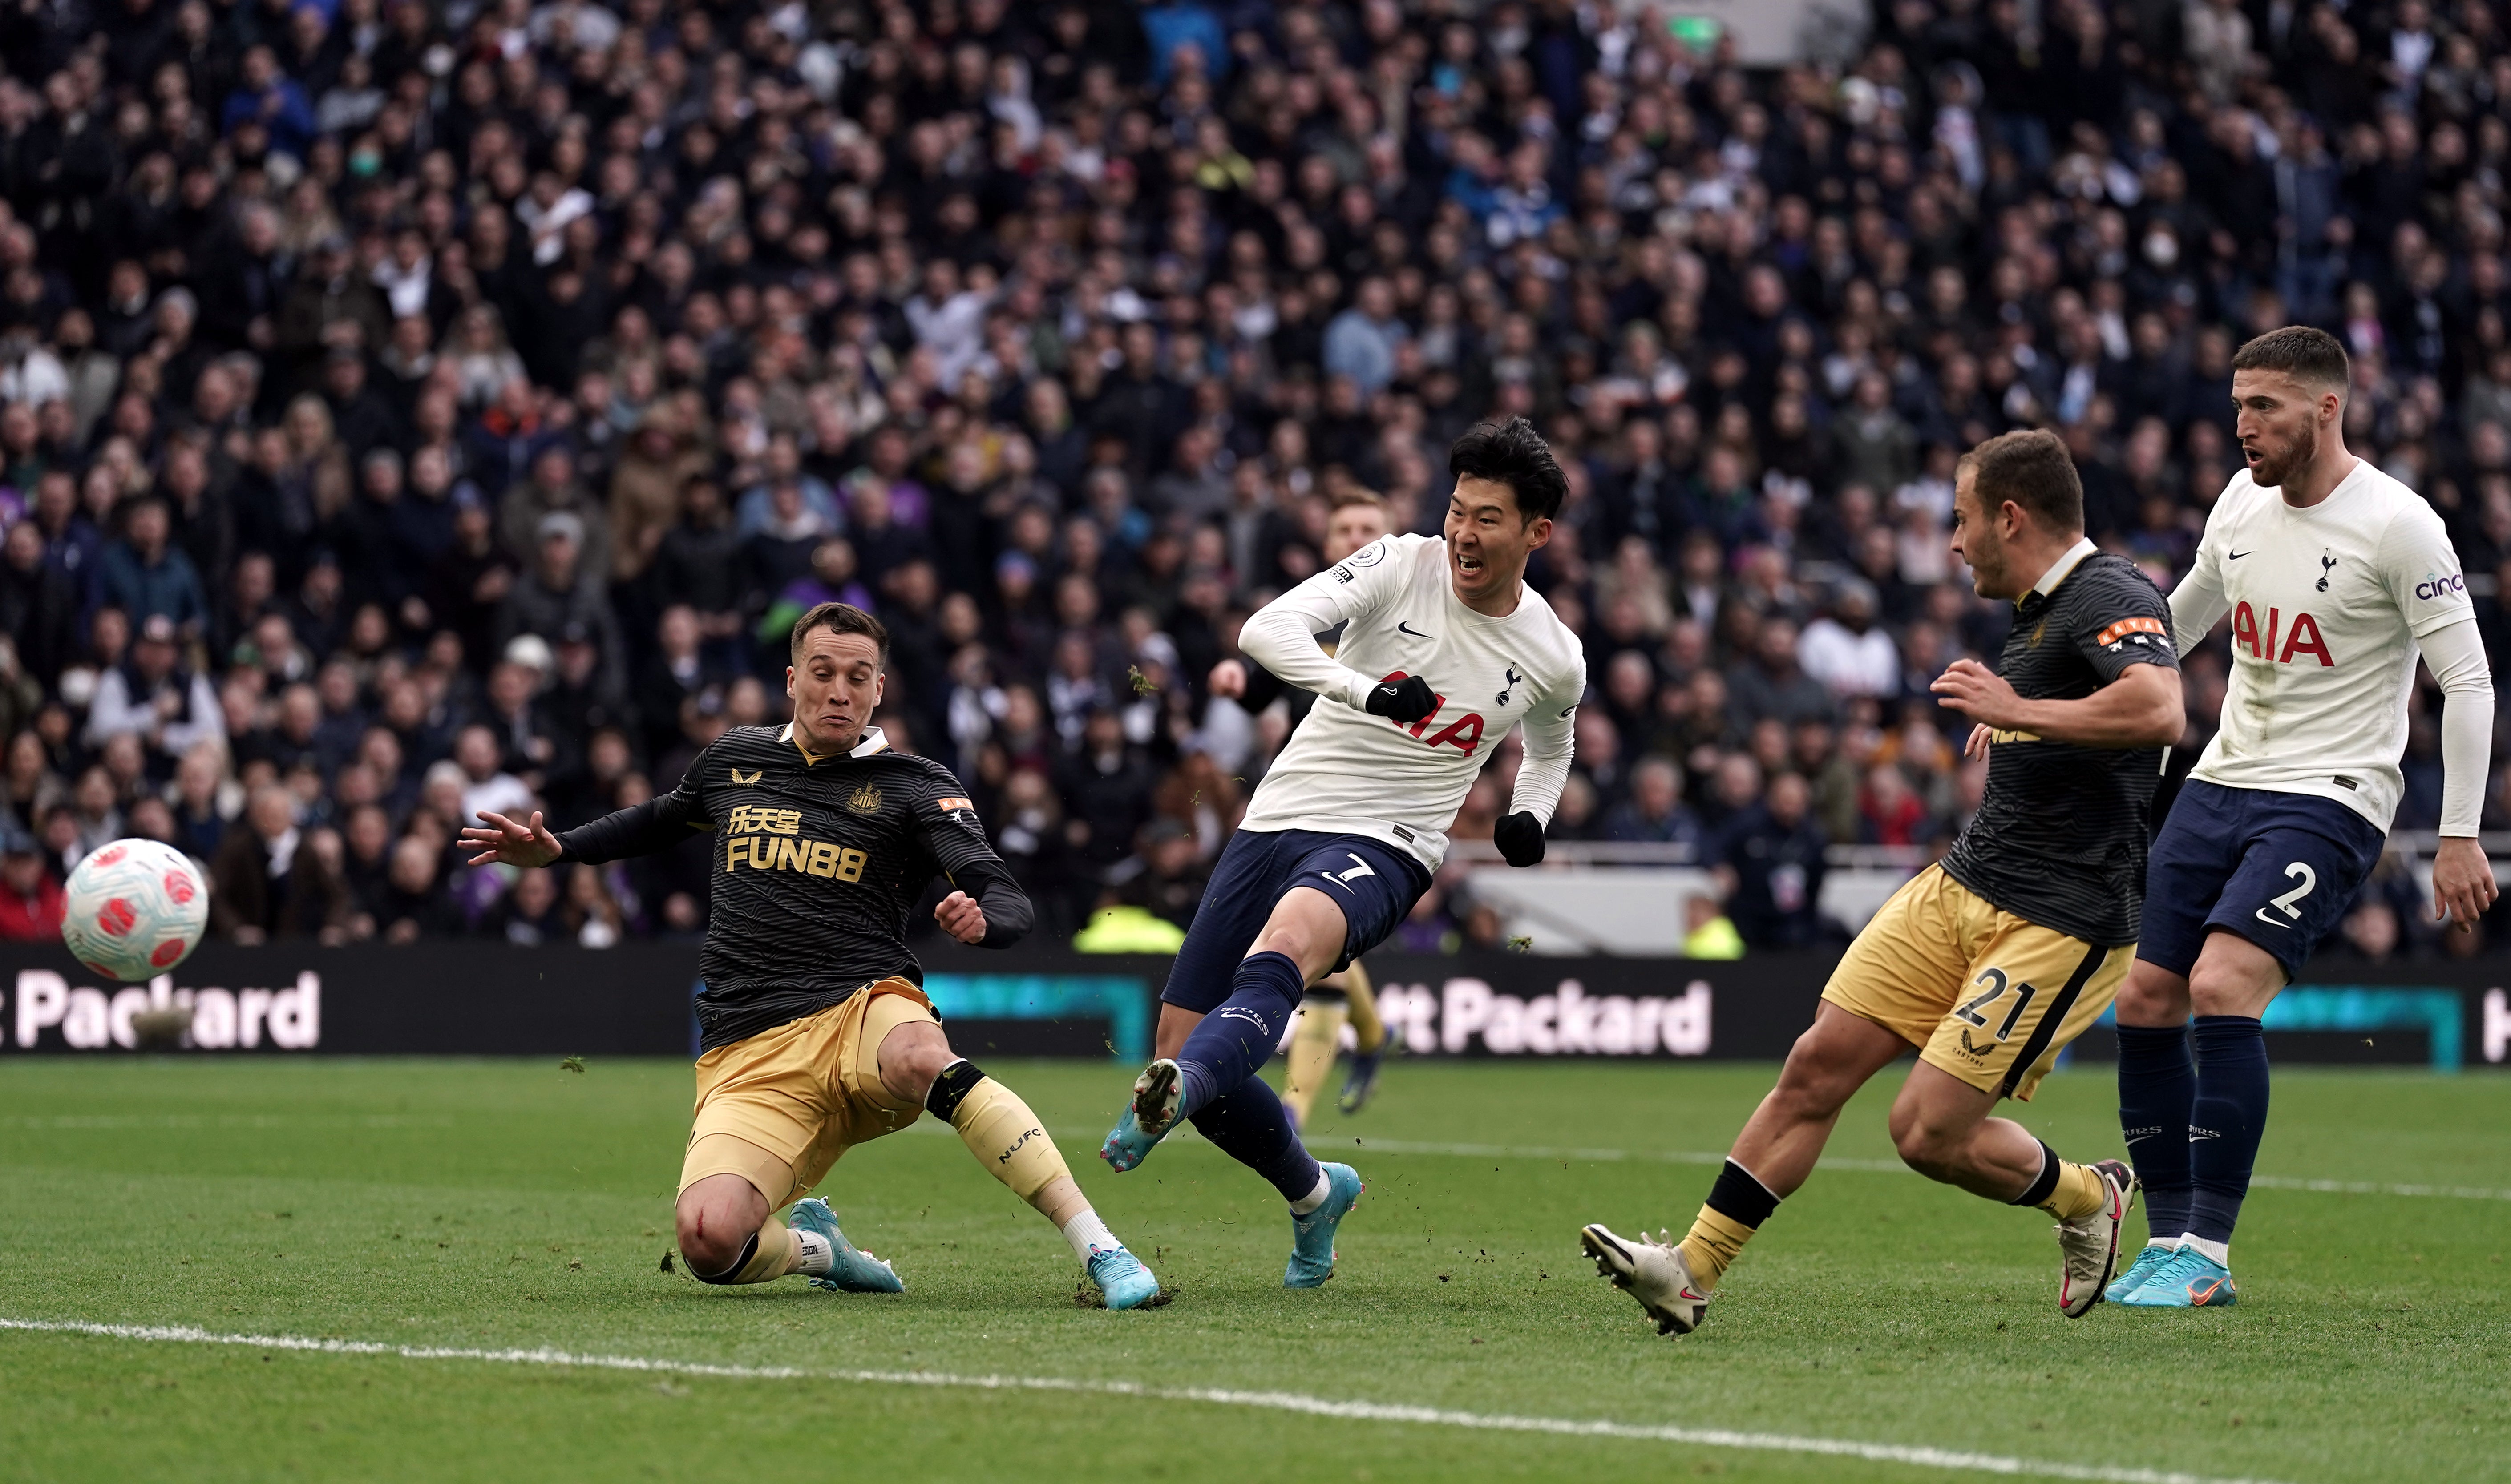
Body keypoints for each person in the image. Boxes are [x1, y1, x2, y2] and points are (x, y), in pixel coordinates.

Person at [1582, 429, 2183, 1335]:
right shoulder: (2035, 612)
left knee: (1924, 1134)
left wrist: (2017, 711)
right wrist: (2028, 727)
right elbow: (2079, 716)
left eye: (1962, 518)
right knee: (1815, 1062)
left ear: (2009, 517)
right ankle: (1690, 1271)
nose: (1951, 540)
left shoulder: (2110, 590)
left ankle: (2086, 1197)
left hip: (2059, 916)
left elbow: (2159, 707)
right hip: (1964, 879)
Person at [460, 602, 1161, 1309]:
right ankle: (822, 1251)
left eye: (859, 677)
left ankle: (1100, 1246)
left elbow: (1002, 892)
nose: (840, 691)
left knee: (925, 1057)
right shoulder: (735, 759)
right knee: (708, 1241)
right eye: (823, 673)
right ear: (792, 680)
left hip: (862, 1008)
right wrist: (563, 848)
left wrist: (987, 922)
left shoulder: (916, 784)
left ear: (879, 689)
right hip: (749, 1046)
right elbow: (660, 819)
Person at [1101, 418, 1586, 1287]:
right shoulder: (1399, 563)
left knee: (1283, 947)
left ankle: (1168, 1097)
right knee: (1187, 1043)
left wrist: (1529, 815)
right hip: (1277, 816)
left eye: (1486, 519)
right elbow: (1267, 632)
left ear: (1534, 533)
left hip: (1389, 842)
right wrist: (1368, 690)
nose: (1463, 534)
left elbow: (1550, 747)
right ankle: (1315, 1192)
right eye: (1456, 510)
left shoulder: (1553, 655)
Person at [2107, 327, 2497, 1308]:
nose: (2241, 426)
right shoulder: (2238, 499)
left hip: (2329, 795)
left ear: (2326, 408)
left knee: (2222, 984)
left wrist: (2456, 833)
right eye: (2237, 404)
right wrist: (2054, 700)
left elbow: (2466, 679)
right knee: (2146, 1000)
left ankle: (2207, 1254)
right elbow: (2180, 621)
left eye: (2263, 406)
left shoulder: (2398, 525)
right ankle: (2164, 1244)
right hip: (2220, 781)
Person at [1210, 487, 1403, 1129]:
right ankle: (1371, 1039)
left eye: (1367, 526)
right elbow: (1264, 681)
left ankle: (1293, 1109)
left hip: (1378, 805)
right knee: (1326, 948)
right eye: (1343, 527)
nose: (1355, 537)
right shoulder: (1311, 613)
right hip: (1311, 796)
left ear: (1393, 537)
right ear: (1327, 546)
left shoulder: (1416, 615)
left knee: (1318, 955)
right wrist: (1240, 687)